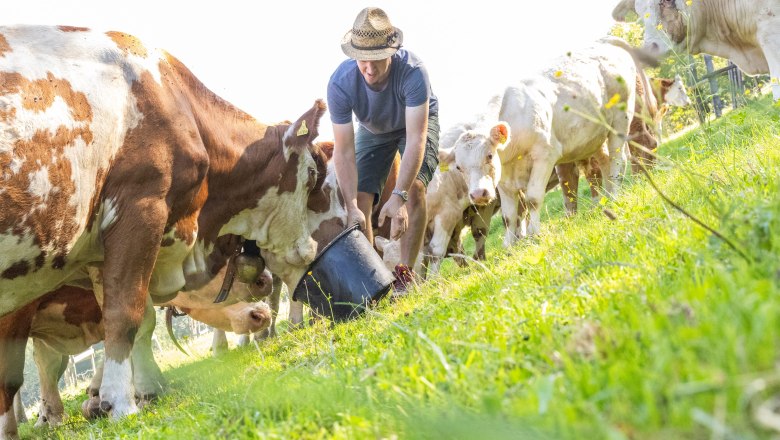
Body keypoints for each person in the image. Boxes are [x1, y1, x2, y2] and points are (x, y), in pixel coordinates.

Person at [327, 7, 440, 293]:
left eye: (377, 58)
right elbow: (343, 151)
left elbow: (416, 139)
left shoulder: (413, 73)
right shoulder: (339, 84)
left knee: (415, 189)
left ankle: (404, 276)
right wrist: (351, 205)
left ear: (391, 51)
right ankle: (374, 282)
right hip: (373, 128)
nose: (369, 67)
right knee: (360, 200)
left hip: (412, 123)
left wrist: (398, 196)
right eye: (362, 59)